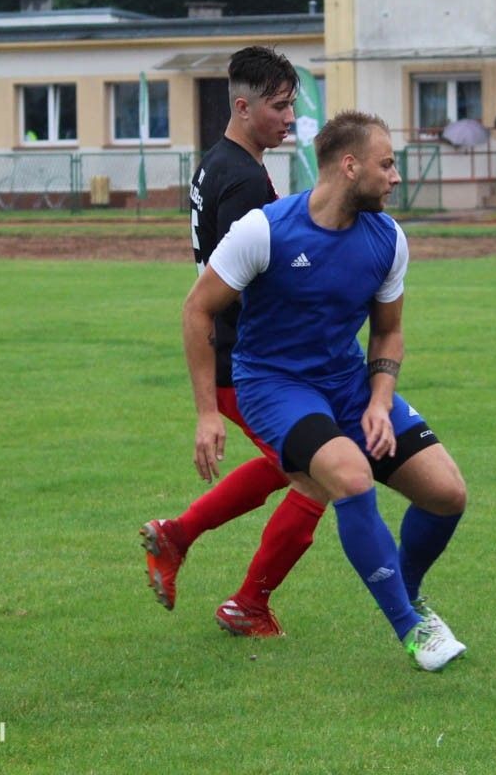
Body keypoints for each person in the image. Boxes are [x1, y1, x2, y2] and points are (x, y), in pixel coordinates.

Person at [182, 110, 468, 672]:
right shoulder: (265, 229)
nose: (395, 177)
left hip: (349, 384)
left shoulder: (387, 238)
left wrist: (381, 401)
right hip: (274, 386)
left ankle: (406, 590)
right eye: (387, 164)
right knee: (350, 475)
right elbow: (197, 310)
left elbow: (387, 331)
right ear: (349, 164)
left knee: (446, 494)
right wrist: (206, 413)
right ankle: (412, 631)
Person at [141, 46, 326, 637]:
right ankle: (247, 604)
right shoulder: (243, 179)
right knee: (315, 475)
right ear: (243, 107)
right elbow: (252, 282)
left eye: (292, 104)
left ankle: (177, 536)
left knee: (288, 464)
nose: (289, 117)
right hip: (247, 360)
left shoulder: (218, 163)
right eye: (278, 106)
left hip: (241, 353)